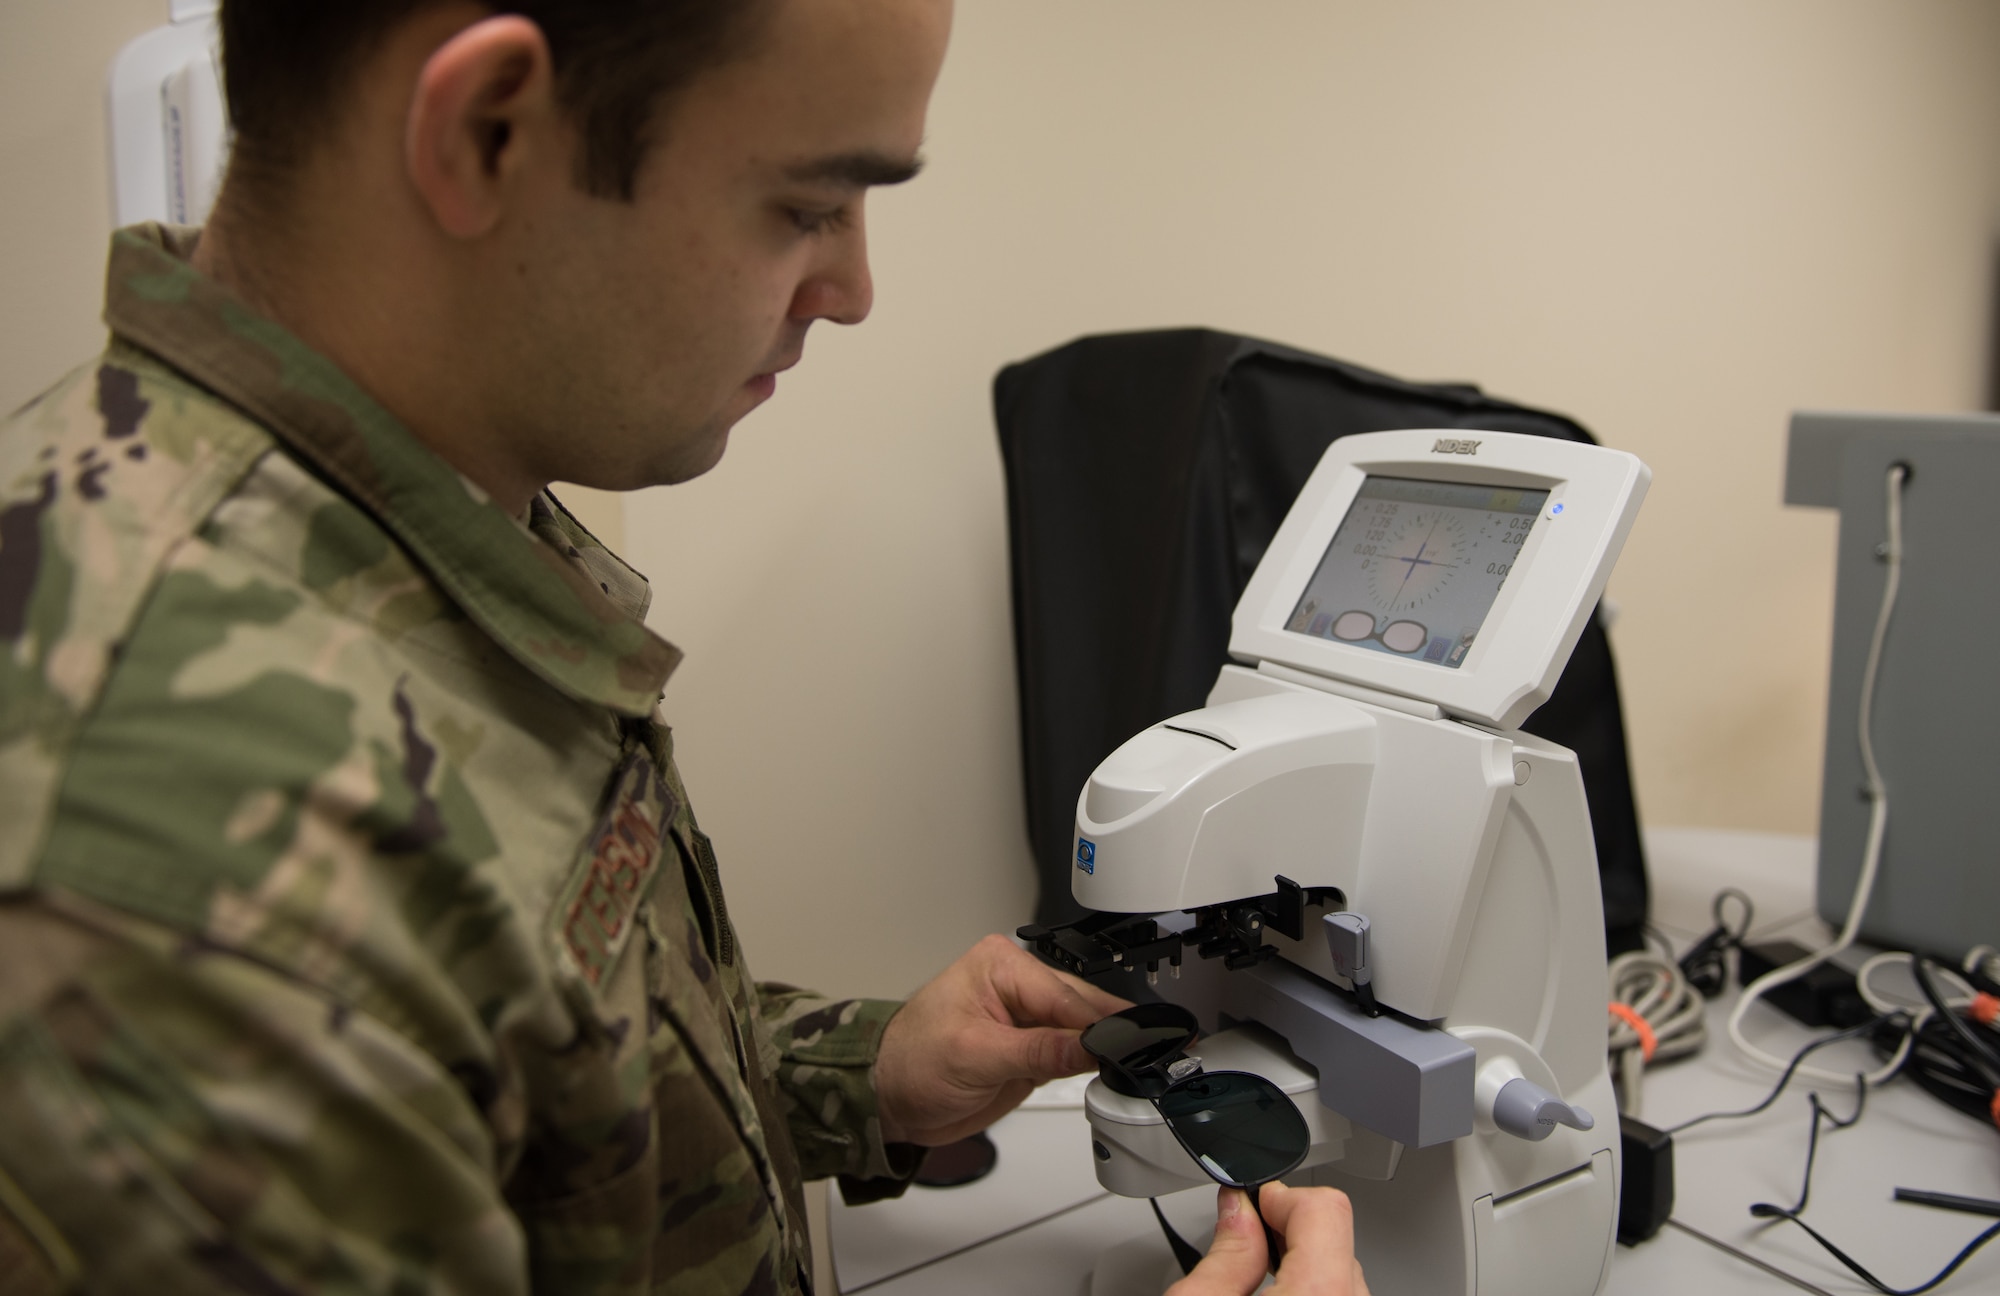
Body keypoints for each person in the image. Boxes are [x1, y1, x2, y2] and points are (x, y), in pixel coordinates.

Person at [0, 1, 1366, 1292]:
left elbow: (547, 1090)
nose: (851, 289)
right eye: (808, 204)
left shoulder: (430, 521)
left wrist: (861, 1071)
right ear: (488, 133)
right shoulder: (158, 869)